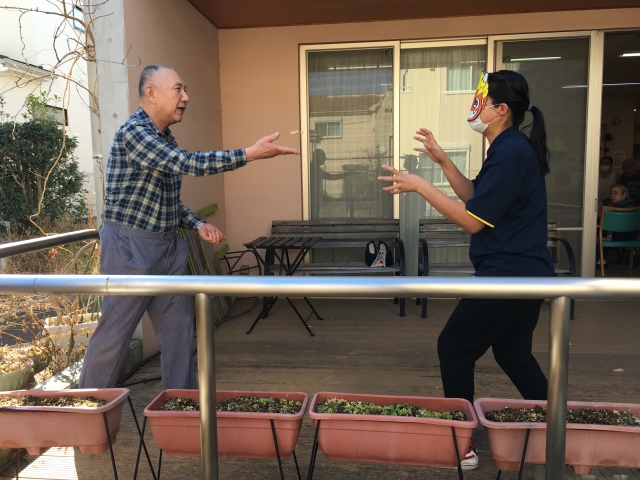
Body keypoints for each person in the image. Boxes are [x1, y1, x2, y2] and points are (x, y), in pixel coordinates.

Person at [79, 65, 298, 390]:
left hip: (166, 248)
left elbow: (165, 200)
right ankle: (87, 410)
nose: (186, 97)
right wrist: (248, 154)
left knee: (179, 333)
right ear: (151, 93)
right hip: (130, 249)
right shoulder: (135, 133)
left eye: (185, 90)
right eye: (178, 89)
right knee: (114, 335)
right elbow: (187, 163)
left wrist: (197, 224)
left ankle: (180, 407)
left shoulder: (164, 137)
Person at [378, 70, 552, 471]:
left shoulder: (510, 151)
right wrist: (443, 161)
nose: (474, 107)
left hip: (509, 275)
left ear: (501, 110)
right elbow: (477, 198)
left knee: (453, 348)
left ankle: (462, 444)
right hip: (524, 271)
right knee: (513, 354)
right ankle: (560, 425)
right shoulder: (508, 148)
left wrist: (421, 186)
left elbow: (473, 221)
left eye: (481, 101)